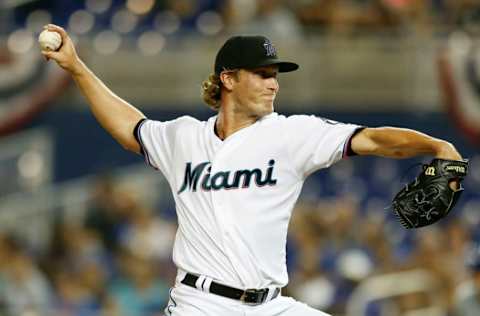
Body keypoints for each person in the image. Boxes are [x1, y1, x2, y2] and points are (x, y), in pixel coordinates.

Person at [42, 23, 464, 316]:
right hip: (200, 303)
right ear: (228, 79)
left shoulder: (292, 134)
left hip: (270, 304)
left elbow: (372, 139)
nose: (273, 83)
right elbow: (131, 128)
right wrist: (77, 68)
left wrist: (436, 144)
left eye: (275, 75)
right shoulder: (183, 138)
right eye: (262, 74)